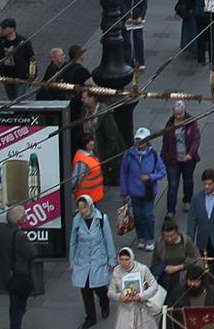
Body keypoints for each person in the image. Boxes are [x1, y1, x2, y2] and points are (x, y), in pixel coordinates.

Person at [69, 195, 113, 329]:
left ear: (90, 206)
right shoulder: (77, 220)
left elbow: (108, 239)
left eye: (84, 207)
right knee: (85, 289)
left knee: (99, 287)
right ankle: (91, 317)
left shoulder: (101, 219)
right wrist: (72, 261)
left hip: (98, 259)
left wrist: (111, 260)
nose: (82, 210)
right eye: (80, 208)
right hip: (83, 261)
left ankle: (105, 303)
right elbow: (73, 241)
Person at [121, 127, 168, 251]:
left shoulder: (154, 154)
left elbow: (162, 172)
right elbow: (124, 173)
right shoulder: (129, 154)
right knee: (137, 215)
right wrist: (124, 191)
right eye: (137, 140)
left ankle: (150, 238)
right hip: (134, 191)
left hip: (148, 191)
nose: (139, 143)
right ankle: (141, 238)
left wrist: (150, 177)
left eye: (142, 140)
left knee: (147, 214)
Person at [0, 204, 36, 329]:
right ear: (19, 220)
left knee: (13, 304)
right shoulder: (19, 236)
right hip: (18, 276)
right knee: (18, 307)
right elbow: (32, 253)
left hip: (4, 274)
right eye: (25, 216)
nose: (26, 218)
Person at [107, 247, 167, 329]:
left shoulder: (142, 269)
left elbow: (154, 285)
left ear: (131, 258)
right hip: (125, 310)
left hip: (141, 309)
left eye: (126, 259)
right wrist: (120, 297)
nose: (124, 262)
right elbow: (110, 292)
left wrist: (142, 296)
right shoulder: (116, 272)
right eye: (121, 260)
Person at [0, 17, 36, 101]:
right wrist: (0, 72)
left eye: (4, 28)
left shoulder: (23, 41)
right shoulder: (0, 41)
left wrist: (32, 75)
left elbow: (32, 58)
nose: (2, 30)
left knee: (18, 101)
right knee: (11, 100)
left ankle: (19, 113)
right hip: (7, 76)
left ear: (12, 29)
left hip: (21, 77)